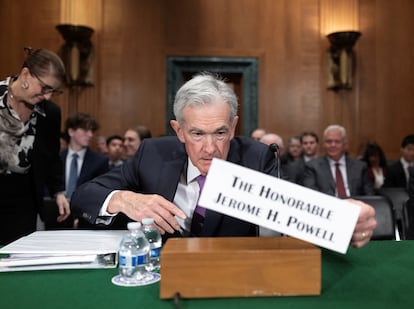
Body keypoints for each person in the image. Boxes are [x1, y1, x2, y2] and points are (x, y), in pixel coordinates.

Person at [71, 73, 376, 248]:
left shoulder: (257, 156)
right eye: (197, 134)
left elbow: (285, 208)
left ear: (233, 127)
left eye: (220, 132)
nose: (210, 148)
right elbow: (83, 196)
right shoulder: (152, 153)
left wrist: (337, 218)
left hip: (231, 276)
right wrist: (124, 199)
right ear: (178, 130)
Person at [0, 48, 70, 244]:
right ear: (25, 75)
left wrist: (59, 192)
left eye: (53, 91)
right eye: (45, 88)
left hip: (24, 201)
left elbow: (51, 155)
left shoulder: (50, 112)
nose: (48, 96)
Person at [51, 112, 108, 229]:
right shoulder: (56, 158)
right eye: (85, 130)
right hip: (56, 218)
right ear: (71, 132)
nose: (90, 135)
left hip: (85, 221)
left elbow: (99, 194)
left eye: (92, 131)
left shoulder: (99, 161)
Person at [303, 124, 375, 197]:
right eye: (329, 141)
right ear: (324, 144)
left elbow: (369, 195)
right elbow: (311, 195)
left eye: (337, 141)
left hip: (355, 206)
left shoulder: (360, 167)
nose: (333, 145)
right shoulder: (312, 167)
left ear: (344, 144)